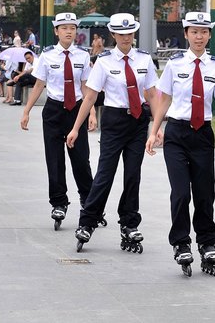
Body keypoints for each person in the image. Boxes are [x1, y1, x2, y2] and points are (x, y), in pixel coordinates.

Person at [66, 13, 160, 254]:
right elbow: (90, 96)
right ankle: (87, 221)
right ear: (113, 35)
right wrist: (76, 128)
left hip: (138, 121)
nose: (126, 37)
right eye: (121, 33)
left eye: (130, 33)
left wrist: (157, 127)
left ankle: (129, 223)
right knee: (105, 174)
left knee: (133, 175)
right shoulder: (104, 61)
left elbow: (151, 94)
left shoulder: (144, 60)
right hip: (114, 120)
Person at [150, 11, 215, 276]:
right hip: (176, 133)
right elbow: (164, 99)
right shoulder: (174, 64)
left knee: (205, 192)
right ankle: (181, 242)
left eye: (204, 32)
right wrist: (155, 130)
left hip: (202, 134)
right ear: (186, 34)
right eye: (194, 31)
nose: (199, 36)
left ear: (209, 35)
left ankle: (207, 242)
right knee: (181, 192)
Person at [20, 12, 97, 230]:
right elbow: (38, 85)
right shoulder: (47, 56)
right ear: (56, 31)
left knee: (81, 159)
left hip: (77, 111)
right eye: (64, 28)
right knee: (54, 160)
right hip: (54, 111)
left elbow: (86, 88)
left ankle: (89, 202)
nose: (69, 31)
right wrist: (27, 111)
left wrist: (90, 114)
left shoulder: (82, 56)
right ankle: (59, 202)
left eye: (72, 28)